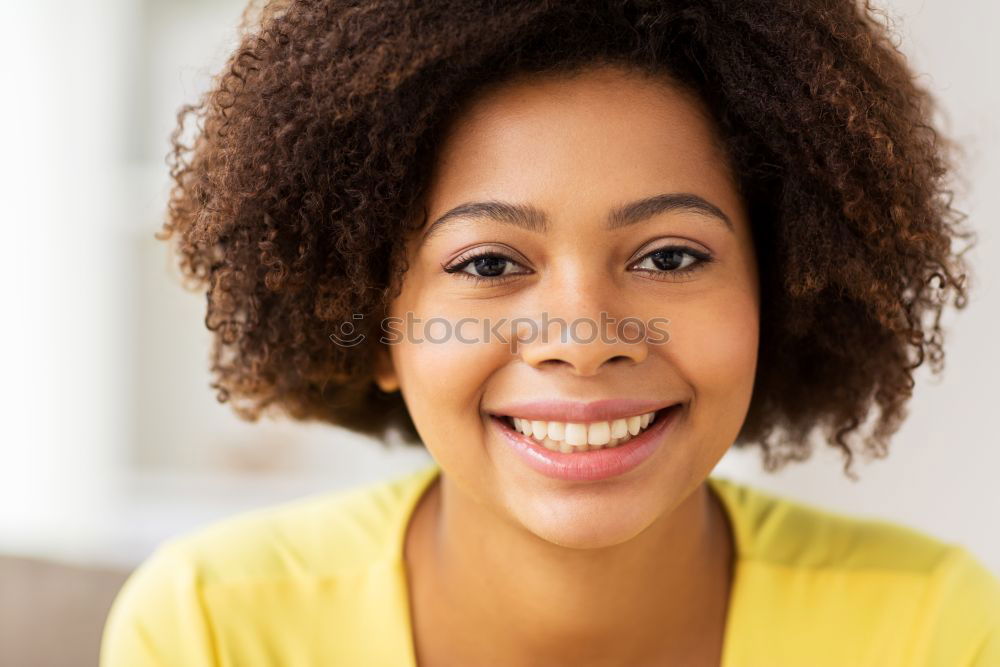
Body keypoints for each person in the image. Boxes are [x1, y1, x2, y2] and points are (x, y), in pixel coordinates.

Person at [100, 0, 1000, 665]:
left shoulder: (930, 629)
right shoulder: (210, 628)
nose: (582, 336)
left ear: (784, 296)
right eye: (489, 264)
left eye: (671, 256)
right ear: (377, 330)